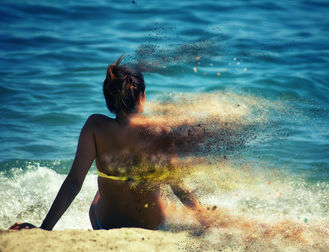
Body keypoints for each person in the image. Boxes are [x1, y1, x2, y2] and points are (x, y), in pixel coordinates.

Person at [10, 56, 213, 231]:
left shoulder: (94, 126)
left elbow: (74, 183)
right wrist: (207, 221)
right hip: (154, 227)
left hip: (105, 224)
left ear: (110, 99)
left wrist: (44, 229)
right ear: (141, 98)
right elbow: (178, 187)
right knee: (161, 189)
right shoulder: (161, 131)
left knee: (101, 192)